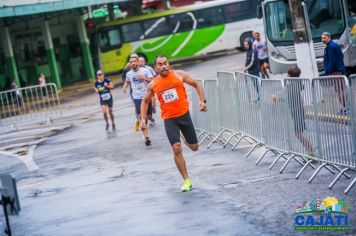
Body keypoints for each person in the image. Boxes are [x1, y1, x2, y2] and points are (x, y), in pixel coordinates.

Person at [140, 55, 207, 192]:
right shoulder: (153, 84)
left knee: (194, 147)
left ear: (168, 64)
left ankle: (182, 135)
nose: (163, 66)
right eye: (159, 64)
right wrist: (142, 119)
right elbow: (145, 101)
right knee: (176, 149)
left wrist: (202, 101)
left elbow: (196, 84)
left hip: (184, 116)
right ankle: (187, 180)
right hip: (169, 119)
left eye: (165, 63)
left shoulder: (179, 75)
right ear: (155, 67)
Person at [273, 66, 315, 155]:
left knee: (298, 133)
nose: (286, 75)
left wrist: (277, 98)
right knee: (298, 133)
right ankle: (310, 150)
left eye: (288, 73)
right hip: (297, 110)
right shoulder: (297, 84)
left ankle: (311, 150)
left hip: (297, 111)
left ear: (290, 75)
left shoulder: (292, 86)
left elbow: (287, 99)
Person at [123, 56, 154, 147]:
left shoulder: (145, 71)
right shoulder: (129, 74)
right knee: (142, 116)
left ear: (137, 62)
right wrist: (124, 88)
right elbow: (128, 81)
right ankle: (147, 138)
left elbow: (153, 81)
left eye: (134, 61)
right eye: (131, 62)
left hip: (147, 96)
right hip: (137, 97)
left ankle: (142, 122)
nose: (133, 63)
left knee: (148, 116)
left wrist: (144, 78)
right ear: (130, 64)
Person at [321, 32, 348, 115]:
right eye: (322, 38)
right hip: (338, 70)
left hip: (335, 72)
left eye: (324, 38)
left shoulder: (330, 47)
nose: (323, 40)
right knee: (341, 89)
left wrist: (328, 71)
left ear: (329, 37)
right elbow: (340, 57)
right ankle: (346, 107)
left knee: (340, 90)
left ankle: (345, 108)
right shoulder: (334, 45)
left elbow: (332, 61)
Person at [138, 56, 157, 124]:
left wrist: (145, 79)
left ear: (145, 62)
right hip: (140, 93)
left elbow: (154, 77)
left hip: (151, 88)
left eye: (142, 61)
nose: (140, 63)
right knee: (142, 111)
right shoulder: (135, 70)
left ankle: (153, 108)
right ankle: (144, 120)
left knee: (152, 104)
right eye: (139, 61)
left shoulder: (148, 69)